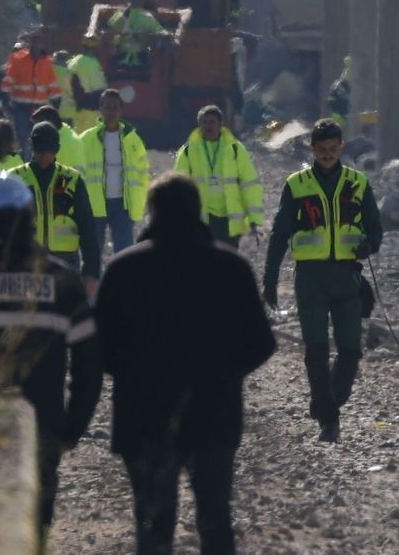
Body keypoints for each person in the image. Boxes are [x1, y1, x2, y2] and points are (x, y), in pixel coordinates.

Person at [97, 172, 275, 555]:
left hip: (143, 414)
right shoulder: (231, 267)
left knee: (153, 525)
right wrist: (223, 375)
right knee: (215, 519)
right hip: (214, 411)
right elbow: (261, 343)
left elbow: (100, 347)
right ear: (198, 211)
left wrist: (133, 375)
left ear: (152, 212)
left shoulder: (124, 269)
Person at [0, 172, 102, 549]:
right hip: (42, 430)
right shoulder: (62, 281)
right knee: (34, 526)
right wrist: (71, 429)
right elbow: (90, 366)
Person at [263, 119, 382, 442]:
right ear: (312, 149)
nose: (328, 155)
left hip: (346, 276)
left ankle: (326, 402)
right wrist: (270, 279)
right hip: (311, 279)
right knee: (316, 350)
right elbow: (279, 234)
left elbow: (375, 228)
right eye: (322, 150)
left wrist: (369, 245)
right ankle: (329, 421)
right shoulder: (297, 185)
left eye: (333, 148)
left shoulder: (357, 183)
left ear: (341, 147)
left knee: (350, 353)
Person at [14, 121, 101, 286]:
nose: (43, 156)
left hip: (65, 262)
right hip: (26, 260)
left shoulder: (71, 179)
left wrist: (91, 271)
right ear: (31, 146)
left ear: (56, 149)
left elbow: (87, 226)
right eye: (39, 151)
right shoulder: (16, 178)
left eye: (48, 152)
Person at [173, 105, 262, 246]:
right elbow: (178, 188)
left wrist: (254, 219)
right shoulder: (188, 151)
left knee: (227, 259)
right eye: (205, 122)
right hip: (202, 219)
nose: (208, 126)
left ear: (221, 124)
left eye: (212, 122)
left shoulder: (236, 149)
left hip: (230, 220)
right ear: (199, 124)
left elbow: (250, 185)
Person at [77, 89, 150, 258]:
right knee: (92, 254)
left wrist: (139, 204)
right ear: (101, 109)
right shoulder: (86, 139)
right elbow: (77, 174)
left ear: (121, 110)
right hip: (94, 205)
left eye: (115, 107)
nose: (111, 111)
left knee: (125, 254)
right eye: (107, 107)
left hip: (123, 205)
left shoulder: (133, 139)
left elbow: (143, 173)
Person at [1, 36, 61, 157]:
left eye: (40, 41)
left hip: (39, 109)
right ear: (31, 43)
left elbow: (53, 86)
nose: (38, 45)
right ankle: (26, 160)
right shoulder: (18, 60)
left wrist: (55, 104)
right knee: (23, 139)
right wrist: (7, 103)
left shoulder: (47, 63)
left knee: (38, 139)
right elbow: (7, 83)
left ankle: (32, 159)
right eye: (35, 41)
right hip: (21, 108)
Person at [109, 0, 167, 71]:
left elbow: (112, 25)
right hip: (134, 58)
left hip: (128, 58)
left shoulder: (122, 15)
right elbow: (159, 30)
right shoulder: (145, 16)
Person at [65, 35, 108, 134]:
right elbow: (99, 87)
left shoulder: (74, 61)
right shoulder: (92, 63)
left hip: (76, 107)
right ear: (94, 49)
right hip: (90, 107)